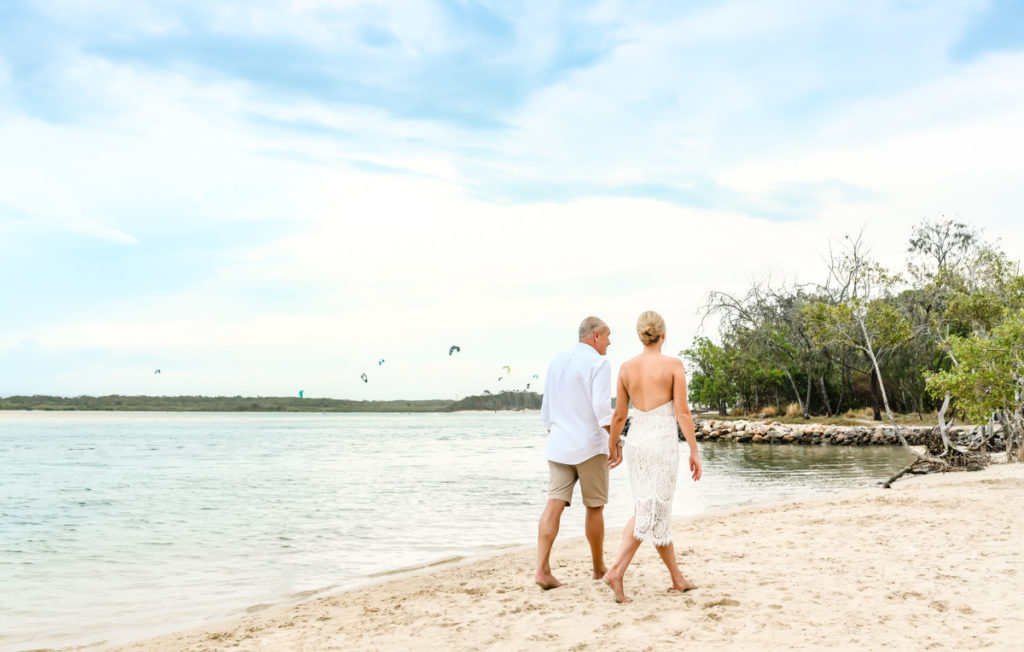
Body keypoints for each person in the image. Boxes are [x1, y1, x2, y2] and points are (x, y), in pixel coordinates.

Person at [603, 310, 702, 603]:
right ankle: (616, 571)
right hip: (661, 445)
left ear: (641, 335)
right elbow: (682, 413)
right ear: (663, 335)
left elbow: (619, 415)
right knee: (650, 510)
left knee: (654, 511)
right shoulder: (673, 365)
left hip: (637, 443)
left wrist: (613, 444)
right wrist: (694, 450)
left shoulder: (626, 368)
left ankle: (677, 578)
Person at [535, 316, 616, 589]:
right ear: (595, 336)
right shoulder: (599, 363)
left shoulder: (557, 361)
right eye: (607, 336)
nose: (609, 342)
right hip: (590, 446)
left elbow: (546, 407)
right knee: (594, 507)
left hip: (559, 445)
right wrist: (615, 440)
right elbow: (602, 409)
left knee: (554, 503)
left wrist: (556, 431)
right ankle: (598, 568)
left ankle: (542, 569)